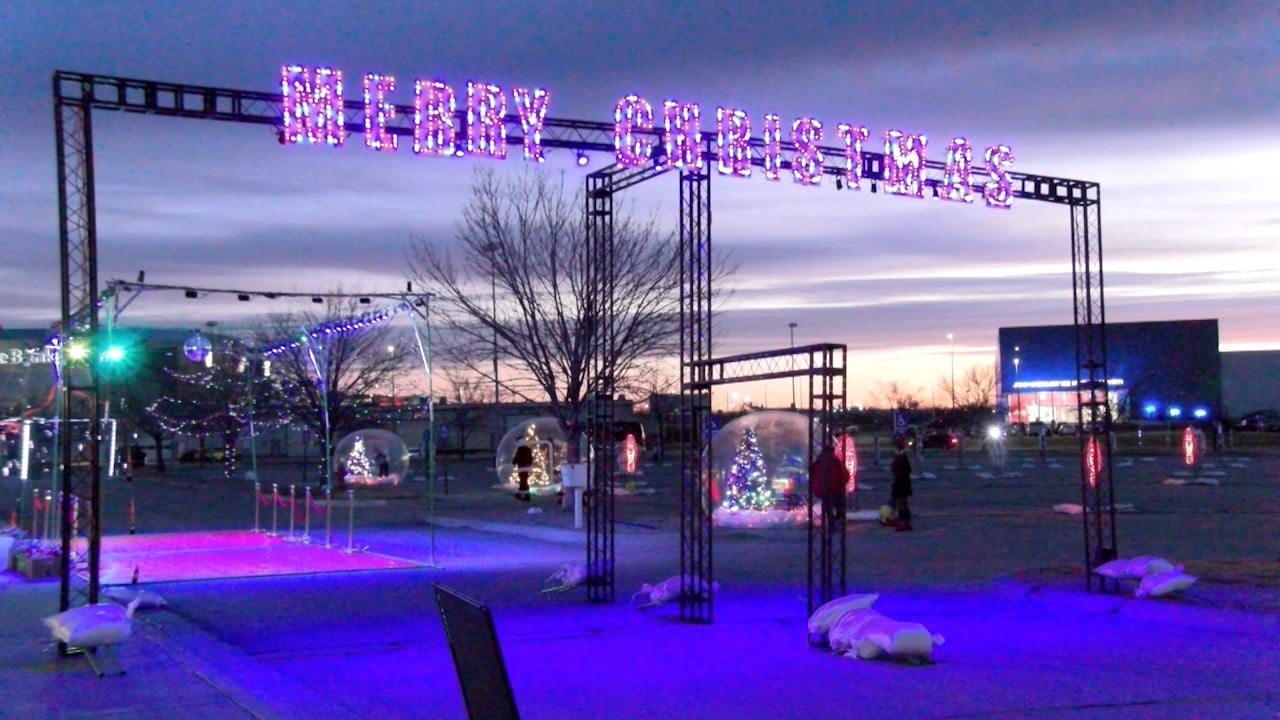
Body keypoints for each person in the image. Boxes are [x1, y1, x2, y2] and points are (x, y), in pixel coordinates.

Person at [810, 441, 850, 533]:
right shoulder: (836, 462)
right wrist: (841, 485)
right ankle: (838, 523)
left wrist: (816, 486)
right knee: (839, 506)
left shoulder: (817, 463)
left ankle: (831, 524)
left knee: (827, 507)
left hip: (822, 489)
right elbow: (845, 476)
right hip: (836, 489)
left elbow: (812, 475)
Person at [890, 436, 913, 532]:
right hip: (904, 483)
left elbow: (899, 470)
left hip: (901, 484)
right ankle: (905, 522)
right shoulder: (902, 457)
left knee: (901, 504)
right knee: (903, 503)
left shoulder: (900, 457)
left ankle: (903, 522)